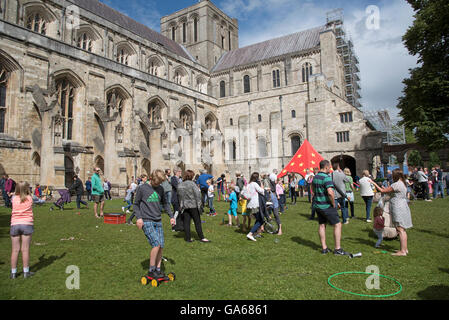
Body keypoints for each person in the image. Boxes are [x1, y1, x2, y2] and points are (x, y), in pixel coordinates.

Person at [135, 170, 176, 281]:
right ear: (151, 179)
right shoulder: (142, 188)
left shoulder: (161, 189)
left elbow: (165, 204)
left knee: (161, 245)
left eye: (160, 184)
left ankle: (158, 270)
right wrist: (139, 218)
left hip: (158, 220)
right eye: (157, 183)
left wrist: (171, 216)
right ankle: (151, 270)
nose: (158, 185)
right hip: (146, 220)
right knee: (156, 244)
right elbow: (136, 204)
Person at [370, 169, 413, 256]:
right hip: (402, 206)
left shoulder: (396, 184)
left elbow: (383, 191)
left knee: (400, 229)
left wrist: (373, 183)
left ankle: (403, 251)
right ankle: (404, 248)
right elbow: (388, 190)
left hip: (398, 207)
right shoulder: (402, 183)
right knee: (402, 229)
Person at [312, 160, 347, 255]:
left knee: (322, 225)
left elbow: (312, 189)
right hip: (326, 205)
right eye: (329, 167)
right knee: (338, 224)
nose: (330, 169)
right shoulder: (326, 178)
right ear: (326, 167)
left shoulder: (315, 177)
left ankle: (324, 248)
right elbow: (330, 193)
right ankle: (337, 249)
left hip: (318, 205)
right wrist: (333, 204)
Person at [10, 181, 35, 279]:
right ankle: (26, 272)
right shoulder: (30, 198)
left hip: (15, 224)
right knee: (25, 249)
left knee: (15, 250)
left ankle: (13, 273)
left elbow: (15, 196)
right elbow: (38, 200)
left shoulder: (13, 198)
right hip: (27, 224)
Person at [177, 170, 211, 243]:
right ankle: (202, 237)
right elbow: (198, 195)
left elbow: (179, 196)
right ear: (191, 176)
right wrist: (199, 205)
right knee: (197, 221)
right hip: (193, 205)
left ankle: (188, 238)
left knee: (187, 222)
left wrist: (181, 205)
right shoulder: (192, 184)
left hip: (185, 205)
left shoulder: (180, 184)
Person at [245, 172, 266, 242]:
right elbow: (262, 191)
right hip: (255, 204)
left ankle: (254, 233)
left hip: (250, 205)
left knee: (258, 219)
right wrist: (261, 183)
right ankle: (250, 233)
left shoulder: (248, 184)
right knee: (261, 220)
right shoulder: (254, 184)